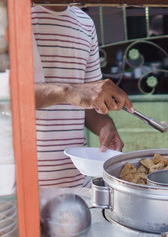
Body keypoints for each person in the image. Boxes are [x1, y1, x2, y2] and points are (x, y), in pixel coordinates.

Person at [31, 5, 133, 188]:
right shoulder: (18, 17)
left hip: (76, 184)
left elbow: (87, 101)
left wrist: (105, 125)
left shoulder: (85, 23)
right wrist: (67, 92)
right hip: (23, 188)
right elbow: (4, 96)